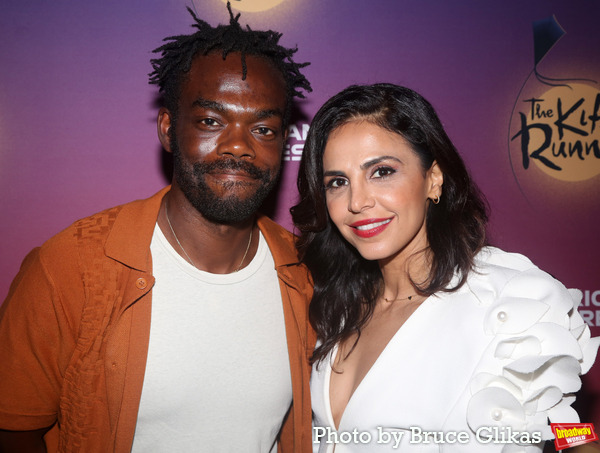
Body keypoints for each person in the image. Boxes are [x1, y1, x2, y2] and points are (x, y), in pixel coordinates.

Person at [0, 4, 315, 453]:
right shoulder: (70, 267)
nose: (239, 146)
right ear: (169, 129)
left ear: (284, 142)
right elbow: (14, 428)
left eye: (263, 128)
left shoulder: (305, 274)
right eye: (211, 121)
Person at [291, 83, 599, 452]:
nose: (357, 202)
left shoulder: (506, 302)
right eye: (338, 182)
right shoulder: (332, 303)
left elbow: (573, 433)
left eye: (382, 172)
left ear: (433, 178)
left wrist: (580, 438)